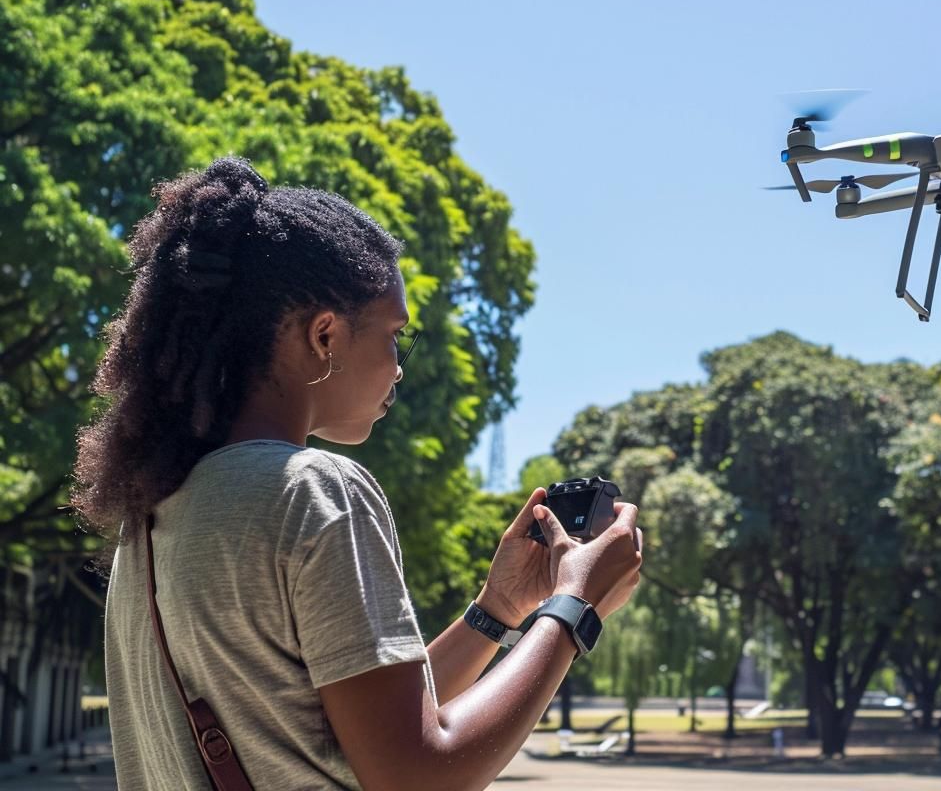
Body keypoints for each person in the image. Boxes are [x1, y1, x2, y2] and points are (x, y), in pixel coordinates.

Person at [76, 157, 643, 789]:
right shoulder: (313, 491)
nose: (398, 367)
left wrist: (499, 609)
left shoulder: (157, 513)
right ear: (325, 335)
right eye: (393, 336)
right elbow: (415, 772)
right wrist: (573, 609)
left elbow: (357, 726)